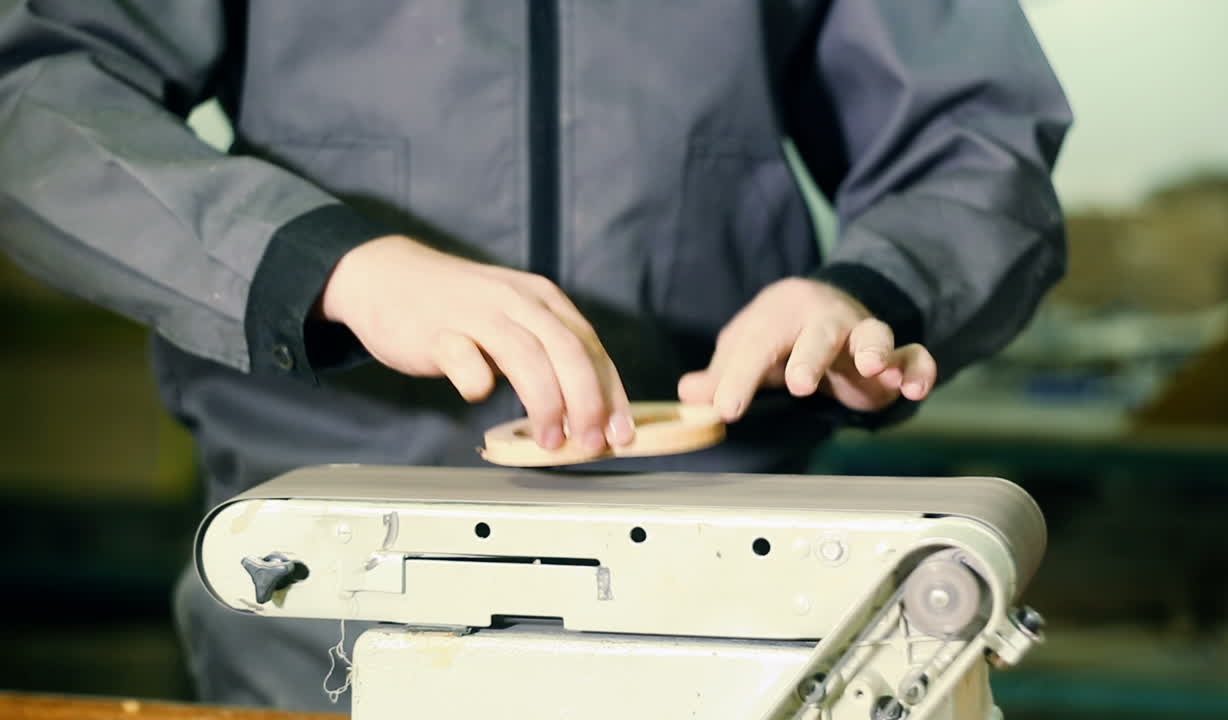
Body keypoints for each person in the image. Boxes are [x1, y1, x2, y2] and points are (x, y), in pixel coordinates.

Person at [0, 0, 1071, 712]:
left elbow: (976, 139)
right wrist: (329, 270)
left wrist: (869, 291)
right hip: (325, 589)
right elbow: (29, 95)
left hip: (741, 593)